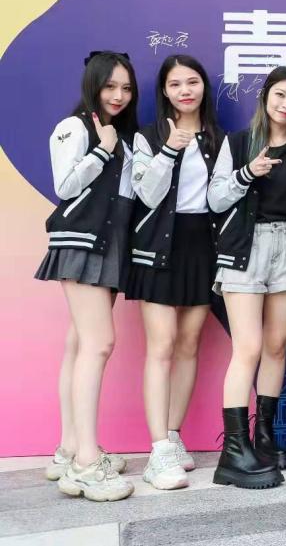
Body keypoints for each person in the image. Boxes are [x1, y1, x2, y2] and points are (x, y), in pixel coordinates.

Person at [208, 66, 286, 488]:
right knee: (248, 347)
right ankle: (233, 452)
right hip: (246, 248)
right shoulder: (238, 143)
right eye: (280, 95)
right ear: (266, 96)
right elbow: (215, 198)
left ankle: (264, 437)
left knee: (277, 345)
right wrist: (247, 173)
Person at [36, 51, 138, 501]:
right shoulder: (75, 127)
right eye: (110, 86)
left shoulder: (123, 135)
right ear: (93, 85)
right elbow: (64, 186)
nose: (118, 95)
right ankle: (85, 465)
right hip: (80, 242)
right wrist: (102, 150)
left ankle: (70, 449)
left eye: (126, 88)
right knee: (98, 344)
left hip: (108, 244)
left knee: (80, 344)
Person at [125, 54, 222, 490]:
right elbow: (146, 194)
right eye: (176, 84)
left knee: (188, 343)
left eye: (192, 82)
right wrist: (169, 149)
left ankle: (174, 434)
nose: (185, 90)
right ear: (164, 91)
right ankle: (158, 449)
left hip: (203, 245)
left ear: (203, 87)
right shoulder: (147, 137)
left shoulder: (219, 139)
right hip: (158, 246)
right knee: (161, 344)